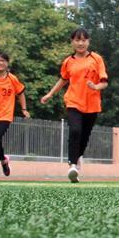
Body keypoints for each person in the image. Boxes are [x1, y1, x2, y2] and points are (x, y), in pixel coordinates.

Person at [40, 28, 108, 183]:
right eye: (77, 40)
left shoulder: (96, 59)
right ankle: (72, 164)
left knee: (84, 137)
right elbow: (63, 80)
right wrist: (50, 94)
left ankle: (76, 163)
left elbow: (104, 82)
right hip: (73, 101)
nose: (80, 43)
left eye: (84, 40)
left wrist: (96, 87)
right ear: (72, 42)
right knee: (75, 130)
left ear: (88, 41)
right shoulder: (68, 62)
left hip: (92, 104)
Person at [0, 52, 30, 181]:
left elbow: (21, 94)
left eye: (3, 61)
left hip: (6, 115)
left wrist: (24, 109)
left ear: (7, 64)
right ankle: (3, 159)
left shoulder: (12, 78)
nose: (0, 63)